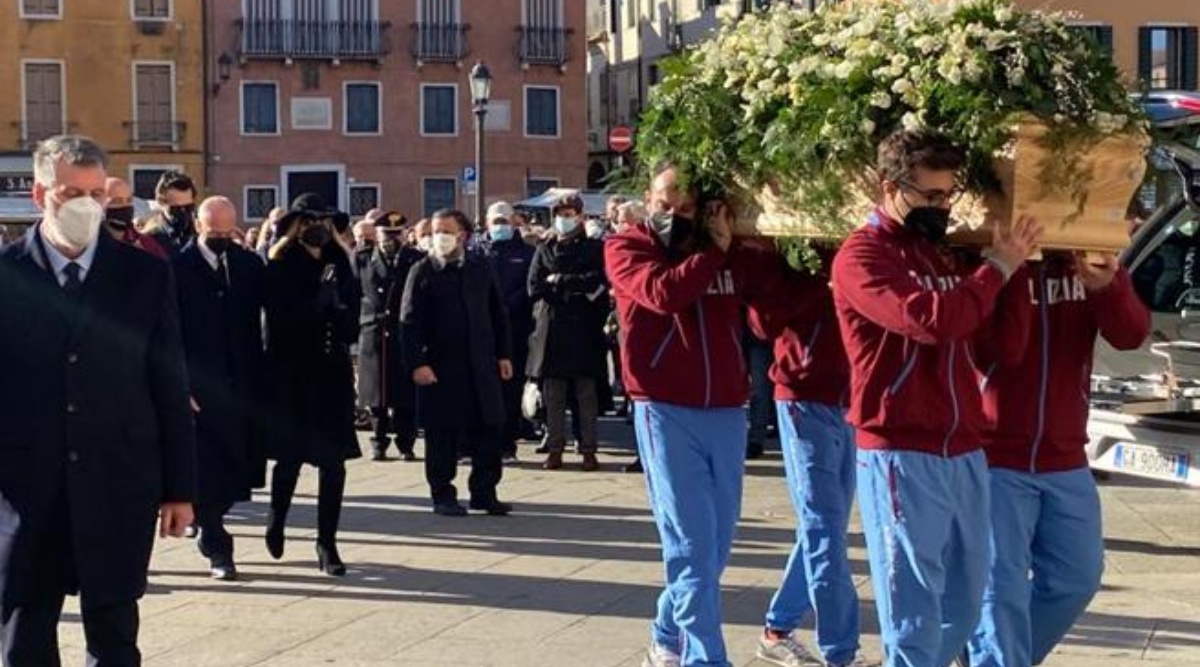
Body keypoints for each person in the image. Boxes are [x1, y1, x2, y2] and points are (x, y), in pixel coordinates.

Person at [830, 129, 1042, 667]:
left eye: (947, 196)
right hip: (901, 448)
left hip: (964, 447)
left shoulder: (943, 258)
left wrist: (1014, 274)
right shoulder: (862, 257)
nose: (940, 207)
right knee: (913, 614)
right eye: (929, 196)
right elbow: (932, 321)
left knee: (966, 609)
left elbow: (1001, 347)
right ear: (889, 187)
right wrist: (997, 269)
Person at [0, 134, 196, 665]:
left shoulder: (145, 273)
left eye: (95, 193)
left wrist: (180, 489)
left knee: (113, 639)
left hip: (118, 483)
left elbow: (168, 382)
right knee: (23, 640)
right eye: (69, 193)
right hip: (25, 492)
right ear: (39, 196)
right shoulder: (7, 274)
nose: (84, 205)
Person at [606, 164, 786, 667]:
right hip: (664, 407)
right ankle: (704, 658)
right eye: (665, 204)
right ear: (648, 198)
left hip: (727, 408)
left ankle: (667, 631)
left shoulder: (724, 250)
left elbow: (770, 297)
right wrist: (714, 252)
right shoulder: (626, 246)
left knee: (716, 547)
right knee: (690, 544)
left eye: (686, 208)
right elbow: (664, 294)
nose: (674, 215)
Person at [964, 250, 1150, 667]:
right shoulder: (984, 260)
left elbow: (1132, 333)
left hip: (1066, 458)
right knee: (1000, 590)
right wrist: (1008, 268)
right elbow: (996, 350)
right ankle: (991, 655)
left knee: (1077, 579)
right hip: (995, 456)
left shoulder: (1083, 260)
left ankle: (987, 654)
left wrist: (1110, 286)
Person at [748, 251, 865, 667]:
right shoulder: (791, 256)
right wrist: (820, 280)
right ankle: (841, 652)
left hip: (850, 400)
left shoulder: (860, 249)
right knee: (824, 527)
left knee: (825, 526)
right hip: (803, 397)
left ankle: (777, 629)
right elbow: (761, 322)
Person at [172, 197, 268, 582]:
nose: (222, 239)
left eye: (228, 233)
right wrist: (179, 384)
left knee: (237, 471)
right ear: (198, 226)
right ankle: (216, 544)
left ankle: (210, 519)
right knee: (208, 469)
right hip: (199, 385)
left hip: (242, 383)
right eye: (215, 233)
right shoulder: (176, 268)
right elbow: (167, 332)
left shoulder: (248, 264)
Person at [264, 204, 361, 577]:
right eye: (307, 223)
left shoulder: (341, 264)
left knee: (333, 464)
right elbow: (276, 320)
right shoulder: (280, 264)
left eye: (321, 223)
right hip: (292, 374)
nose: (316, 229)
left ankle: (327, 542)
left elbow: (353, 324)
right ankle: (277, 519)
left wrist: (337, 309)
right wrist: (312, 305)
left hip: (331, 373)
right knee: (288, 459)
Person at [400, 209, 514, 517]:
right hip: (441, 367)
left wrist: (504, 354)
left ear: (463, 234)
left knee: (489, 427)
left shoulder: (480, 267)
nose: (440, 237)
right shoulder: (423, 270)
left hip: (481, 364)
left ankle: (484, 491)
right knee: (442, 434)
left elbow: (497, 313)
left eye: (446, 230)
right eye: (436, 231)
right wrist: (417, 363)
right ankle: (443, 493)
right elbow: (409, 323)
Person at [527, 192, 609, 472]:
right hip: (551, 328)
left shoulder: (594, 248)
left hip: (584, 330)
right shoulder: (545, 248)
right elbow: (534, 286)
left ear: (580, 216)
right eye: (560, 214)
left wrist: (564, 281)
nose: (564, 219)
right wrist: (563, 287)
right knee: (554, 395)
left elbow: (597, 283)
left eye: (569, 214)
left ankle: (588, 450)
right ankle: (555, 449)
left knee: (586, 394)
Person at [357, 210, 423, 462]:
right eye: (386, 234)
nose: (391, 239)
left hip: (404, 333)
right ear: (377, 234)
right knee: (377, 394)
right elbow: (353, 295)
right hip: (373, 333)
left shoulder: (416, 259)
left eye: (396, 234)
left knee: (406, 394)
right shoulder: (363, 259)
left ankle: (406, 443)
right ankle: (378, 441)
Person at [484, 201, 537, 463]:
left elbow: (530, 287)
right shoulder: (478, 252)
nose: (500, 227)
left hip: (515, 330)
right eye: (495, 222)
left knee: (510, 390)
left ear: (514, 222)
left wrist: (505, 306)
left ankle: (507, 444)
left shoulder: (527, 253)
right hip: (484, 332)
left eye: (504, 221)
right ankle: (481, 443)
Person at [103, 177, 167, 258]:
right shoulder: (89, 245)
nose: (125, 206)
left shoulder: (146, 244)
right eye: (117, 201)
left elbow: (164, 267)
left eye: (129, 200)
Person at [144, 170, 199, 256]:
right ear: (161, 204)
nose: (183, 211)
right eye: (175, 209)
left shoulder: (201, 235)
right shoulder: (149, 240)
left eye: (188, 207)